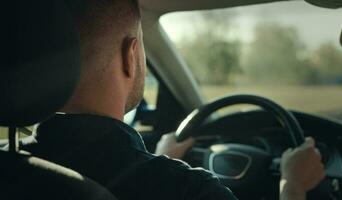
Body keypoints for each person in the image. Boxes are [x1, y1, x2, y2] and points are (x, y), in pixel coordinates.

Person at [24, 0, 325, 199]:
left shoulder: (11, 165)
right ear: (131, 56)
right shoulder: (190, 192)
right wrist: (293, 185)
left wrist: (160, 160)